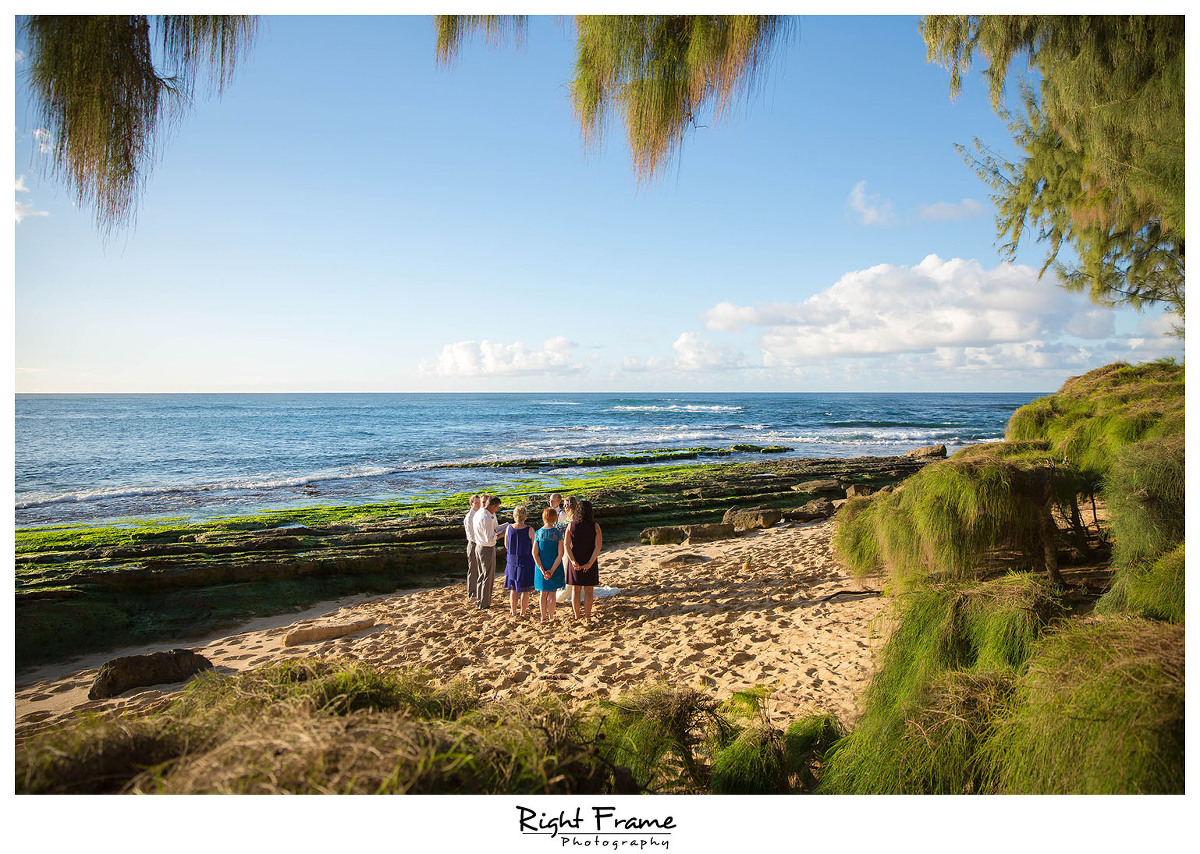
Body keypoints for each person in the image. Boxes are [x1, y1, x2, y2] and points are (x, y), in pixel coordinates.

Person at [564, 499, 602, 620]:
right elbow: (598, 546)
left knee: (576, 590)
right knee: (589, 591)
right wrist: (590, 562)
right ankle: (587, 615)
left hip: (576, 557)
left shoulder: (571, 525)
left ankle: (577, 616)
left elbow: (566, 545)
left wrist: (573, 561)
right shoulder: (595, 526)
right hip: (589, 557)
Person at [470, 495, 507, 610]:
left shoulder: (479, 514)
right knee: (487, 576)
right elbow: (490, 538)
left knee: (482, 575)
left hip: (479, 546)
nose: (497, 509)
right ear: (491, 506)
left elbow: (493, 529)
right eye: (496, 507)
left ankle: (480, 600)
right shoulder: (486, 518)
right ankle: (484, 603)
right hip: (486, 548)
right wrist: (503, 534)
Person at [533, 506, 566, 621]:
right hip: (554, 565)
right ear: (555, 518)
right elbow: (560, 554)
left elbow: (534, 553)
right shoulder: (557, 534)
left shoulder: (538, 533)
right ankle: (551, 616)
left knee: (543, 593)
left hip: (541, 566)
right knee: (552, 593)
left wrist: (542, 569)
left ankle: (543, 617)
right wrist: (552, 569)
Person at [503, 505, 537, 617]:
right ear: (525, 516)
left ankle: (513, 611)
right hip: (526, 560)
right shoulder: (530, 530)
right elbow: (534, 546)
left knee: (513, 588)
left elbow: (506, 545)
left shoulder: (509, 528)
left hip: (512, 559)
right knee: (525, 589)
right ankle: (522, 612)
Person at [463, 494, 481, 602]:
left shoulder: (478, 514)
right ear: (471, 504)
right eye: (476, 503)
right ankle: (472, 592)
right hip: (473, 543)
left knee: (478, 569)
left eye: (479, 502)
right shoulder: (470, 517)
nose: (478, 505)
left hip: (479, 543)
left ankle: (476, 591)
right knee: (473, 569)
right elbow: (472, 534)